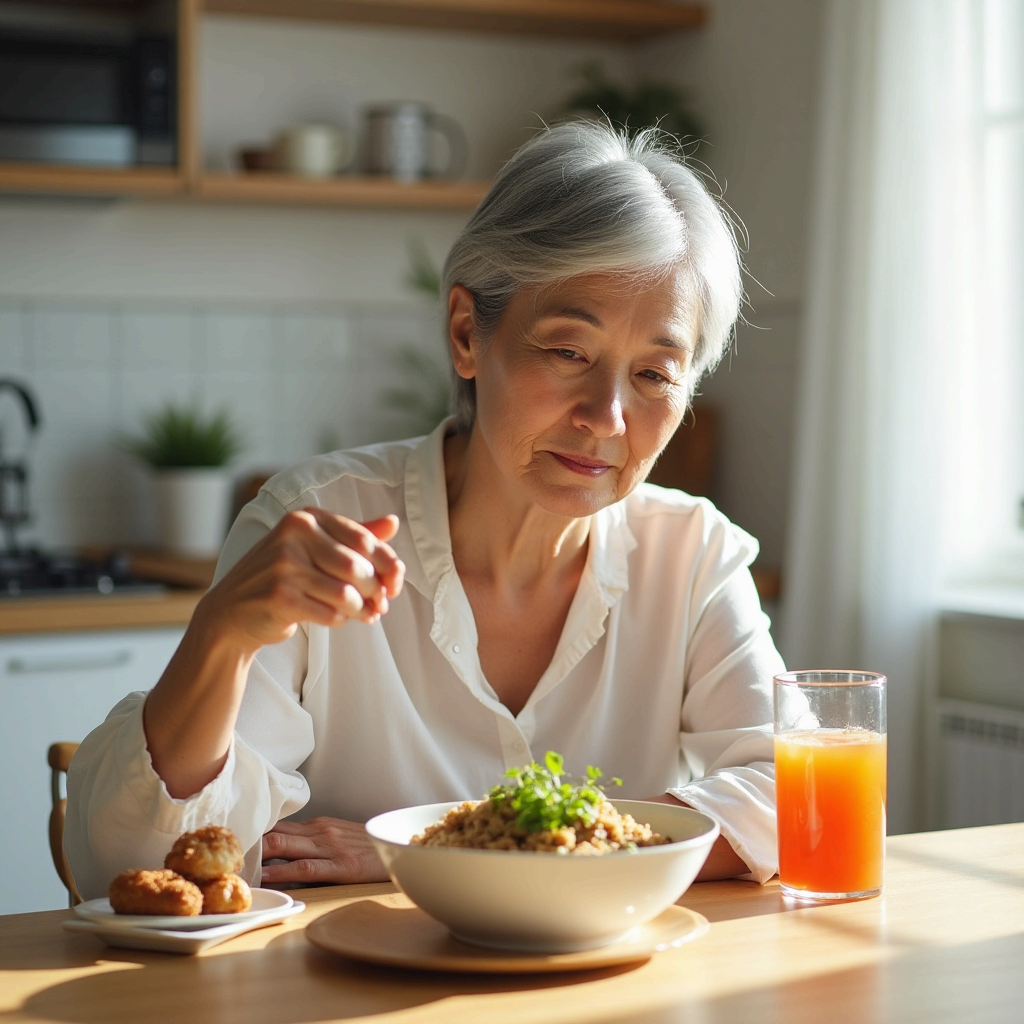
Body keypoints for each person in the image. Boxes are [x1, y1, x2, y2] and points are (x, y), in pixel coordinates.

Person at [66, 122, 785, 899]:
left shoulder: (695, 557)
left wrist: (447, 848)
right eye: (569, 353)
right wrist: (222, 637)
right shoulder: (315, 523)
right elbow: (135, 865)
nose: (607, 416)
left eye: (654, 374)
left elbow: (793, 797)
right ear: (467, 334)